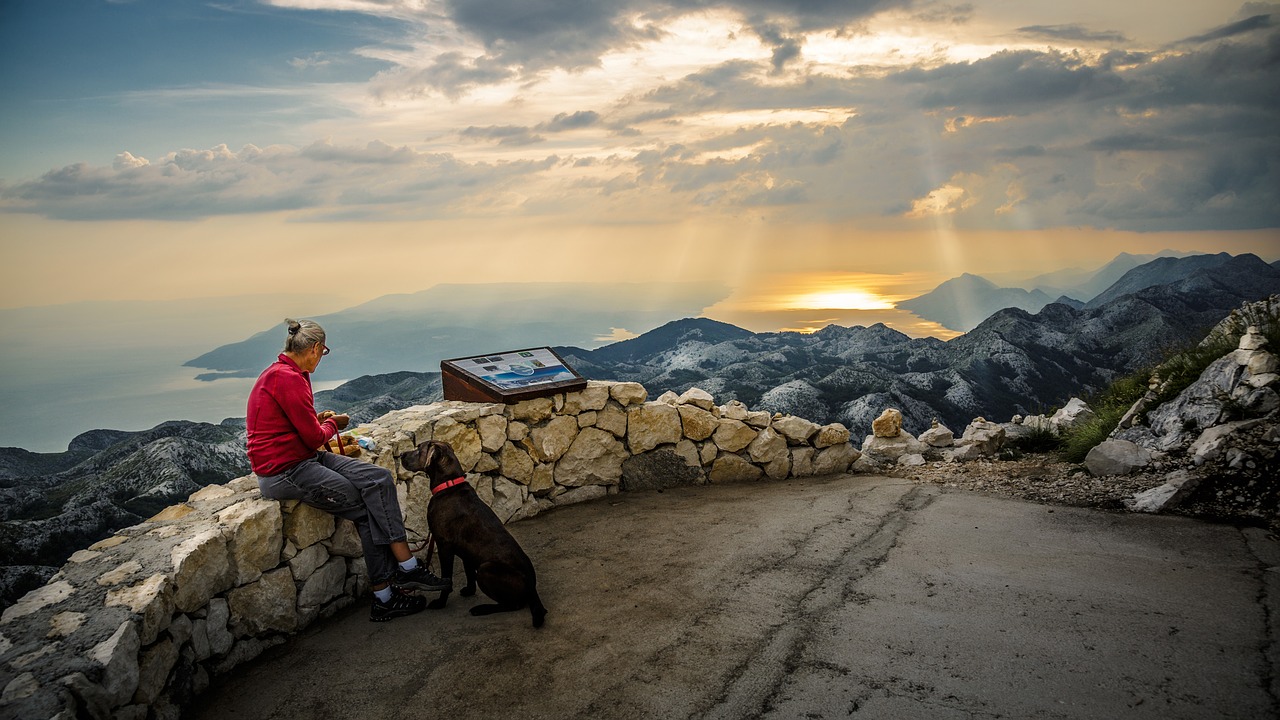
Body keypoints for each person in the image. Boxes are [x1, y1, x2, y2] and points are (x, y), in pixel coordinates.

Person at [246, 318, 450, 621]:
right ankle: (385, 595)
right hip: (285, 471)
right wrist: (332, 424)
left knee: (379, 479)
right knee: (367, 509)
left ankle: (407, 571)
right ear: (315, 348)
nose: (321, 358)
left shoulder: (286, 373)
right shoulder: (288, 378)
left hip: (303, 458)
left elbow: (295, 425)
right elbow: (315, 437)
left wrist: (317, 420)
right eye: (323, 352)